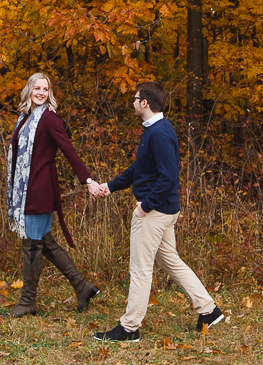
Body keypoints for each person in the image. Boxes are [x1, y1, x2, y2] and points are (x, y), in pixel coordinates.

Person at [88, 81, 223, 342]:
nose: (133, 102)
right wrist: (109, 187)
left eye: (135, 98)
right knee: (170, 261)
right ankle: (209, 310)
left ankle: (129, 328)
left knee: (140, 269)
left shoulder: (159, 132)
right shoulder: (155, 129)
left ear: (145, 102)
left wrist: (145, 206)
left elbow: (168, 176)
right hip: (164, 210)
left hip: (154, 213)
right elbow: (140, 169)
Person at [6, 72, 101, 317]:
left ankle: (28, 301)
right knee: (43, 242)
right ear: (29, 90)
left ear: (50, 93)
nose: (41, 93)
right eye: (37, 88)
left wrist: (87, 180)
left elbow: (68, 149)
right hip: (25, 192)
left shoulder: (49, 119)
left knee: (32, 245)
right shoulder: (25, 118)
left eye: (45, 89)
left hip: (40, 191)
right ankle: (82, 287)